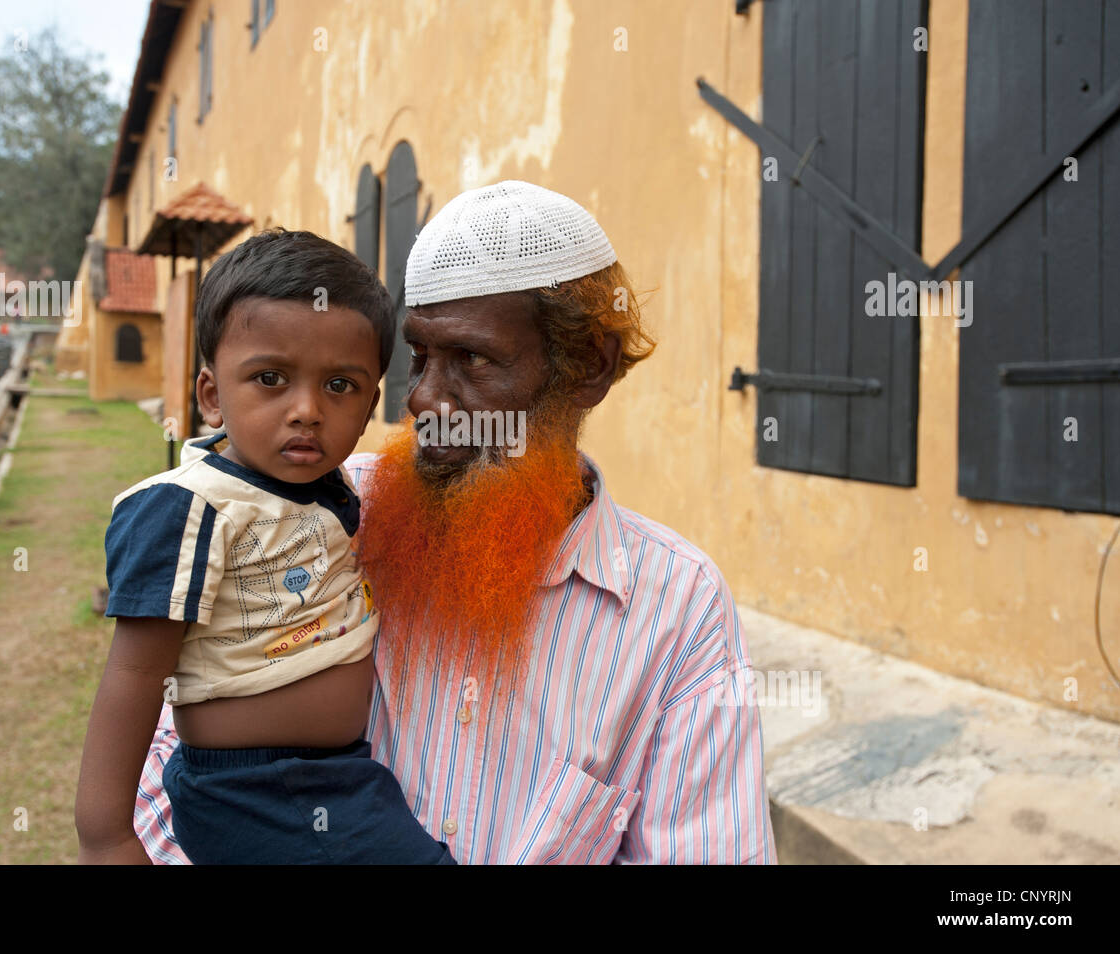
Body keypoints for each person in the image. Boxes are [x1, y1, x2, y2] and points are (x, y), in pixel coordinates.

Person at [135, 180, 777, 864]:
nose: (424, 401)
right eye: (419, 356)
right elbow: (166, 777)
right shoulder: (309, 517)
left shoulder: (676, 608)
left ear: (588, 367)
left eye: (471, 360)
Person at [74, 228, 457, 864]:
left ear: (370, 405)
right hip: (253, 790)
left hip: (340, 776)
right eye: (271, 378)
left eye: (340, 386)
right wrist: (106, 835)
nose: (307, 409)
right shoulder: (189, 507)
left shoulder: (333, 490)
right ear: (211, 396)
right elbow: (134, 674)